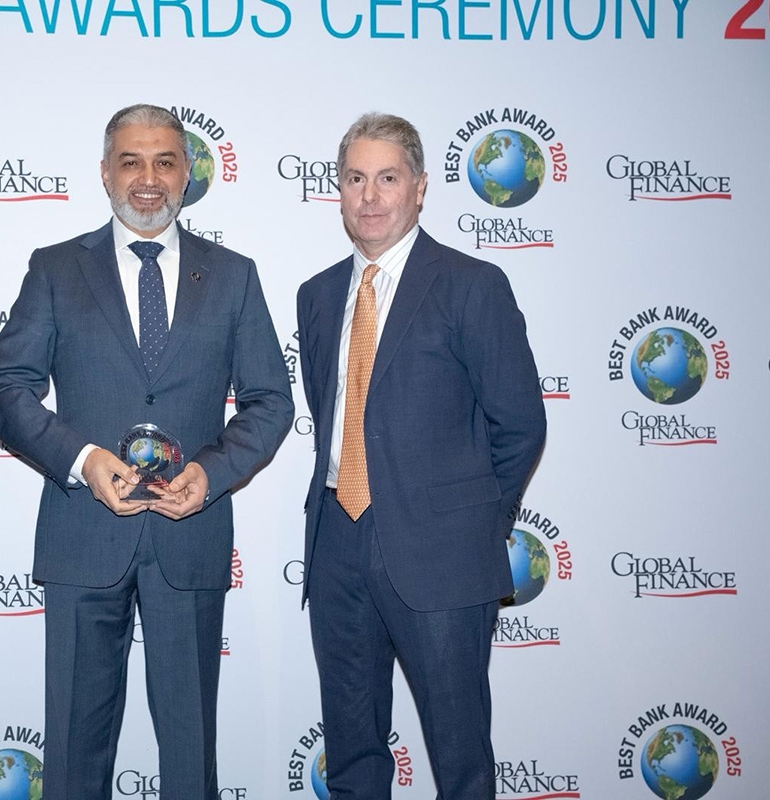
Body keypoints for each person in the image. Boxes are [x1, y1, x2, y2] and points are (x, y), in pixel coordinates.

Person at [0, 103, 292, 799]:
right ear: (104, 173)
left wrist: (211, 472)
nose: (147, 178)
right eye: (130, 161)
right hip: (82, 535)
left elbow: (271, 400)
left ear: (187, 173)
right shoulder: (56, 269)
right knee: (73, 750)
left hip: (190, 536)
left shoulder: (233, 274)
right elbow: (3, 391)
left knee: (190, 750)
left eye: (164, 162)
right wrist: (82, 459)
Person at [296, 113, 546, 799]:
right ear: (339, 191)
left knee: (459, 759)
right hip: (336, 543)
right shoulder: (317, 296)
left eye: (387, 178)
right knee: (352, 755)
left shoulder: (472, 284)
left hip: (442, 554)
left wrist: (472, 526)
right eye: (355, 179)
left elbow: (520, 425)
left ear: (420, 187)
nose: (370, 196)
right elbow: (332, 414)